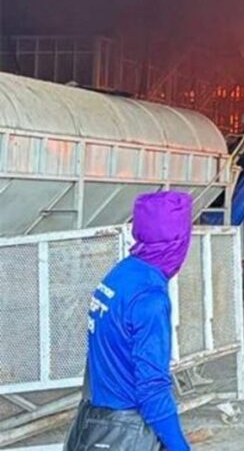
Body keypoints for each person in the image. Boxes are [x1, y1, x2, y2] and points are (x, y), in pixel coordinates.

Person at [65, 191, 193, 451]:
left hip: (94, 419)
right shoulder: (150, 299)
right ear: (179, 241)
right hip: (125, 431)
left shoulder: (119, 274)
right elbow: (152, 387)